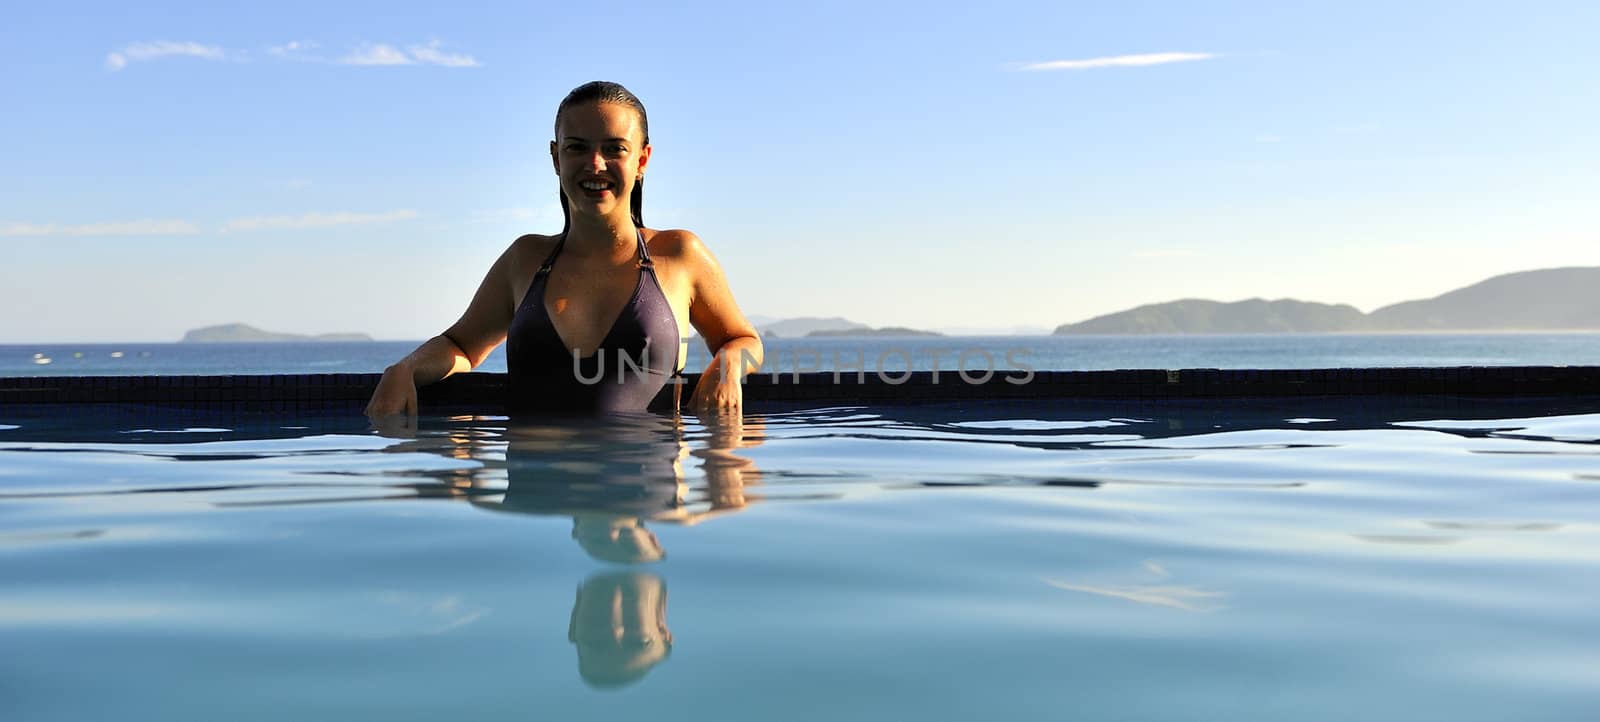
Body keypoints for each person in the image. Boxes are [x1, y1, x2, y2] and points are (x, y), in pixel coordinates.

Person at [365, 81, 762, 418]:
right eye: (576, 148)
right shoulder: (525, 261)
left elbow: (742, 340)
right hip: (538, 500)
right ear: (555, 158)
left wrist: (728, 367)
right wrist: (405, 368)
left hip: (645, 498)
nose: (594, 164)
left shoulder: (678, 254)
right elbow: (462, 346)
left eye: (614, 149)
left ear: (642, 159)